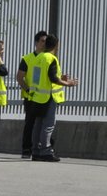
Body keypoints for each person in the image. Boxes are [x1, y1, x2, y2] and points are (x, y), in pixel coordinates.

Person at [27, 34, 78, 163]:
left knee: (38, 125)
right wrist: (68, 83)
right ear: (56, 45)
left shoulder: (39, 57)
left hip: (37, 96)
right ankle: (46, 151)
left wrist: (61, 78)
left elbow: (40, 77)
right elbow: (52, 78)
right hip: (49, 96)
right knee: (48, 125)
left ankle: (36, 151)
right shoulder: (51, 59)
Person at [17, 30, 49, 160]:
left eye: (46, 42)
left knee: (44, 124)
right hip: (31, 97)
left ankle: (42, 149)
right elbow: (19, 77)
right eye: (42, 41)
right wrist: (28, 90)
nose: (44, 44)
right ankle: (26, 149)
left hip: (44, 97)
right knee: (30, 123)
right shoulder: (27, 58)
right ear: (36, 42)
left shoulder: (48, 58)